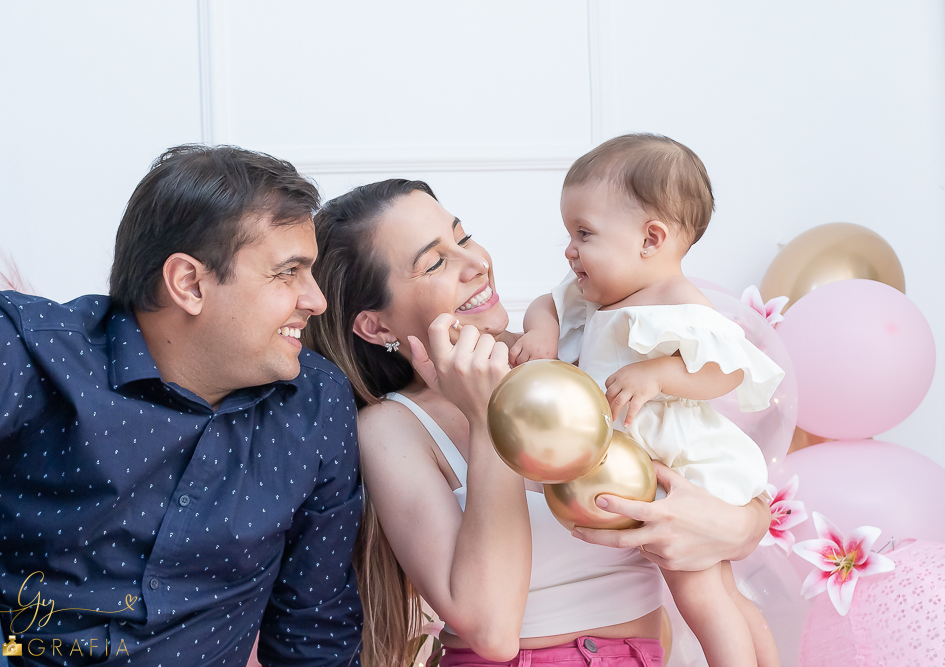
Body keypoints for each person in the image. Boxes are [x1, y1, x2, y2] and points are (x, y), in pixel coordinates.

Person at [303, 178, 773, 667]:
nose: (476, 263)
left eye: (463, 238)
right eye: (436, 261)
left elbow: (715, 472)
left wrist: (739, 524)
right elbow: (491, 632)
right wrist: (488, 419)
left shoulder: (580, 352)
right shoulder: (394, 428)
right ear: (375, 325)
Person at [0, 145, 362, 666]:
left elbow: (314, 628)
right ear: (188, 283)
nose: (316, 300)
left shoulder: (316, 403)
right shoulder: (22, 347)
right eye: (287, 273)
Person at [514, 133, 783, 667]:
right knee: (723, 592)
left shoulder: (678, 302)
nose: (570, 249)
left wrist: (658, 374)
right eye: (570, 232)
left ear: (650, 239)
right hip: (641, 464)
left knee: (701, 595)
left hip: (685, 468)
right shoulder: (589, 293)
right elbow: (543, 303)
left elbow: (725, 371)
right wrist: (542, 332)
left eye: (584, 233)